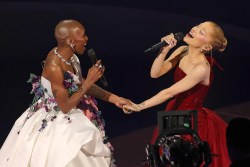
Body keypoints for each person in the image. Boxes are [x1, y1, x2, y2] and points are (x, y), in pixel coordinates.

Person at [0, 19, 132, 167]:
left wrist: (113, 98)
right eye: (82, 35)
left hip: (72, 108)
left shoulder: (71, 58)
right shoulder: (54, 67)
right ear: (70, 41)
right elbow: (65, 107)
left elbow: (78, 83)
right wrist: (89, 81)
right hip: (59, 119)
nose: (86, 38)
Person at [123, 21, 231, 167]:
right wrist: (165, 50)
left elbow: (169, 92)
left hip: (191, 122)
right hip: (173, 114)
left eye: (201, 32)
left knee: (183, 159)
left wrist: (139, 106)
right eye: (198, 26)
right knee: (166, 157)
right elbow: (155, 73)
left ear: (206, 47)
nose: (195, 29)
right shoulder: (182, 51)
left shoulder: (202, 68)